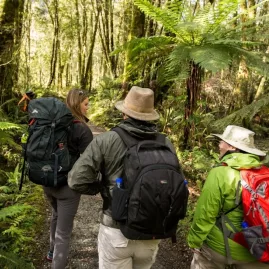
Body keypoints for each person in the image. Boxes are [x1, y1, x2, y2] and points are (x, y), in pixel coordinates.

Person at [68, 86, 178, 269]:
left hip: (115, 230)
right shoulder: (166, 143)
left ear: (125, 114)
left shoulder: (107, 140)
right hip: (152, 232)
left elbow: (76, 180)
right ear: (151, 116)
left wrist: (100, 188)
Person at [187, 125, 269, 269]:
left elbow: (205, 214)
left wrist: (194, 242)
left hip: (220, 247)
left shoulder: (220, 173)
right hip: (257, 249)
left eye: (222, 142)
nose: (219, 145)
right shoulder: (265, 173)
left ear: (232, 147)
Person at [43, 89, 93, 269]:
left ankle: (51, 251)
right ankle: (57, 262)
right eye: (86, 104)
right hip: (67, 187)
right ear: (76, 104)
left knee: (56, 215)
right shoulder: (82, 128)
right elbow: (89, 162)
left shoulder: (51, 123)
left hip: (47, 181)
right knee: (64, 234)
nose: (88, 108)